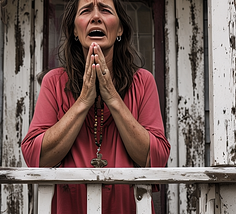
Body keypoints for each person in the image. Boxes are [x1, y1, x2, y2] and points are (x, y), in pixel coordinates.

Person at [21, 0, 170, 213]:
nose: (96, 17)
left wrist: (112, 97)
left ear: (119, 29)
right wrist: (83, 102)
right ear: (74, 30)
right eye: (86, 10)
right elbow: (36, 156)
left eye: (105, 10)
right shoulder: (54, 82)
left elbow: (156, 158)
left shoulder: (143, 81)